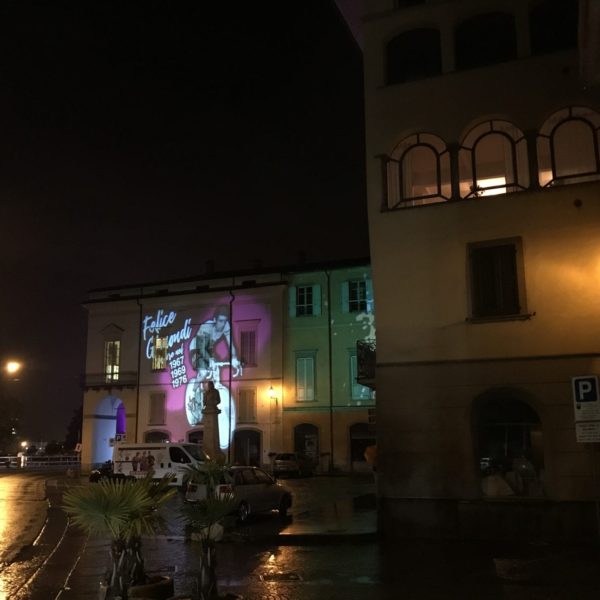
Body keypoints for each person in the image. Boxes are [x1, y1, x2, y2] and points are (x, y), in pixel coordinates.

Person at [189, 306, 241, 380]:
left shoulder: (226, 325)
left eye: (225, 321)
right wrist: (210, 359)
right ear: (214, 320)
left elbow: (231, 345)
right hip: (196, 348)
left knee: (216, 370)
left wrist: (234, 357)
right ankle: (195, 386)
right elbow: (201, 348)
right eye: (220, 321)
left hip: (207, 348)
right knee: (204, 372)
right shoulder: (206, 327)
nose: (223, 324)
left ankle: (216, 386)